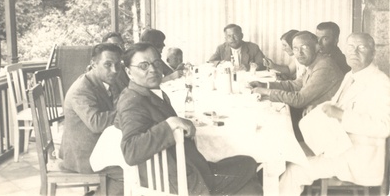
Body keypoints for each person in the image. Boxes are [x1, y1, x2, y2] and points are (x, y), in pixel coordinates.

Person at [114, 42, 263, 195]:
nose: (153, 69)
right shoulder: (132, 101)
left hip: (188, 168)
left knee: (249, 169)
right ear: (129, 72)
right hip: (180, 182)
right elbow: (130, 151)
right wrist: (170, 123)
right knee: (250, 167)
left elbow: (120, 121)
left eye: (156, 63)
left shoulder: (144, 93)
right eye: (143, 66)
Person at [279, 33, 390, 195]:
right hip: (337, 145)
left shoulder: (380, 82)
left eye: (362, 48)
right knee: (288, 153)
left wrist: (341, 115)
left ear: (373, 53)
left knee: (293, 170)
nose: (354, 52)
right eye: (351, 47)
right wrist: (321, 107)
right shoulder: (351, 75)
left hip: (357, 158)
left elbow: (384, 127)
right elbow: (337, 104)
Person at [251, 31, 344, 141]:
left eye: (304, 47)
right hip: (312, 117)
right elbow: (295, 85)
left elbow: (299, 100)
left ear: (316, 47)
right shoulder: (313, 63)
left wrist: (267, 92)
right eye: (295, 48)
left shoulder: (324, 66)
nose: (299, 53)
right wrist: (265, 85)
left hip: (323, 126)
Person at [59, 43, 125, 195]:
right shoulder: (81, 89)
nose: (114, 70)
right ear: (93, 65)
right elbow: (96, 123)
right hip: (82, 155)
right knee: (131, 170)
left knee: (138, 156)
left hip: (96, 145)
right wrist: (129, 111)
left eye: (118, 65)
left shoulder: (104, 81)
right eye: (108, 65)